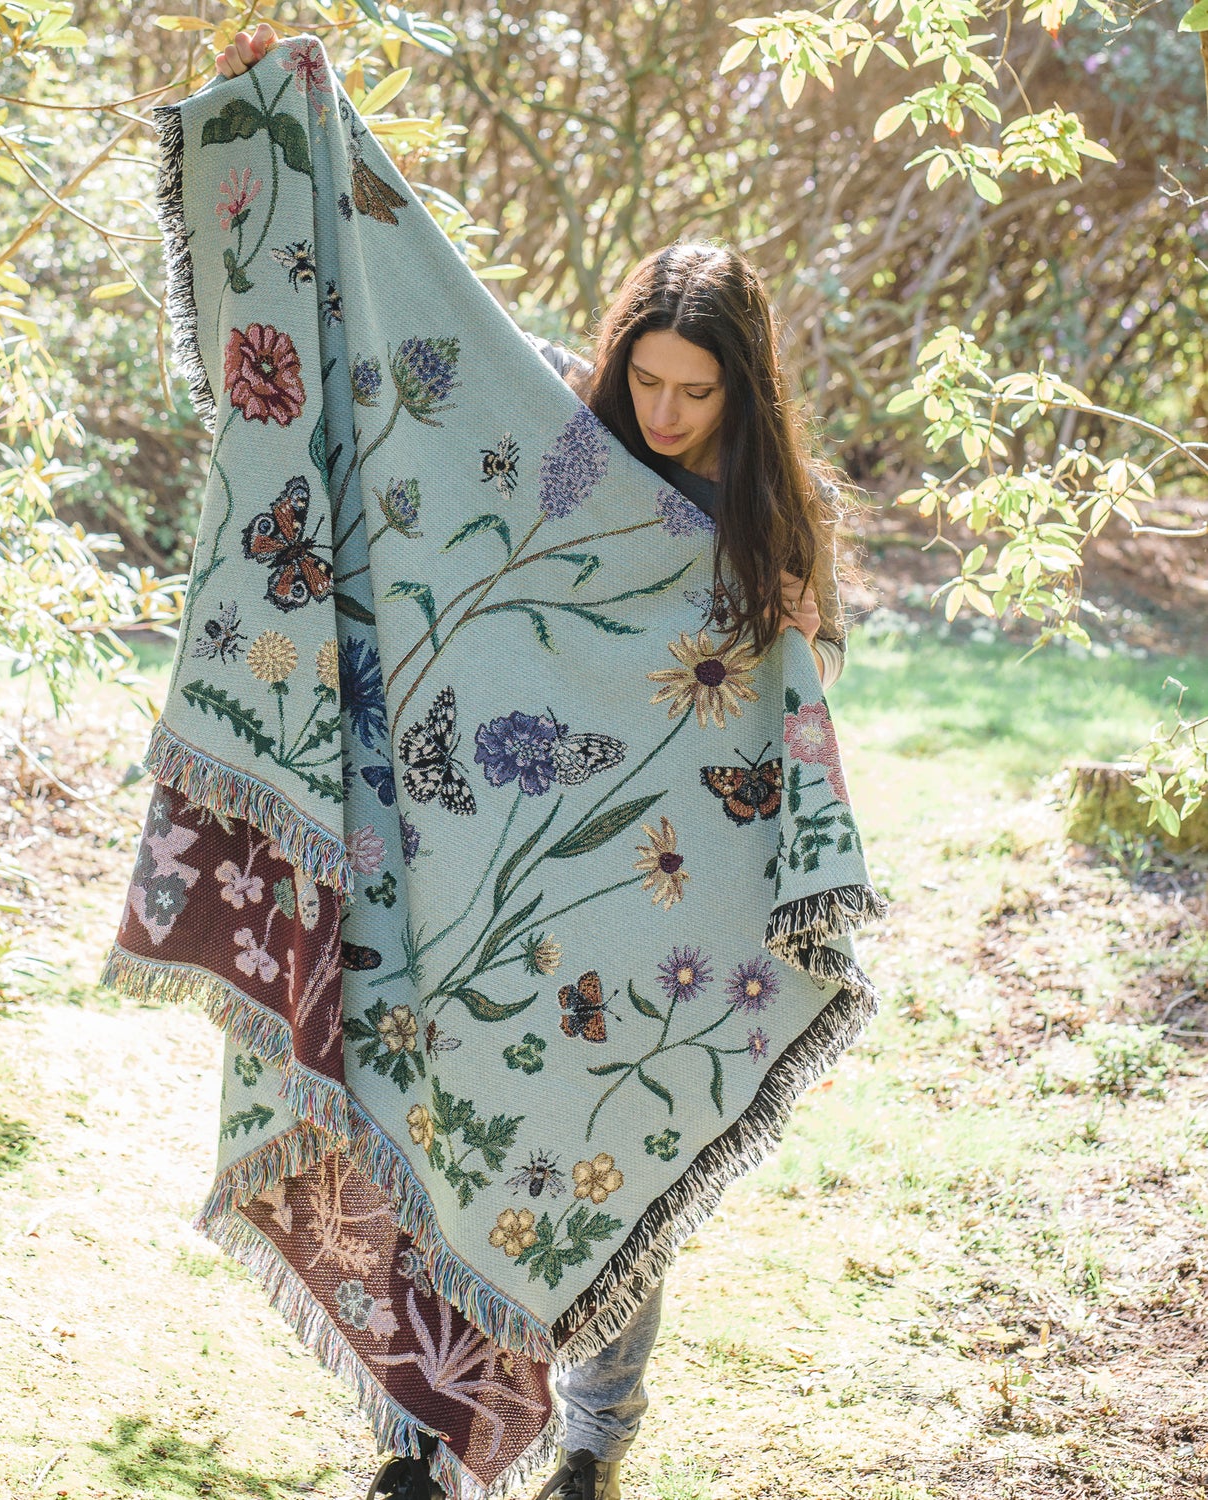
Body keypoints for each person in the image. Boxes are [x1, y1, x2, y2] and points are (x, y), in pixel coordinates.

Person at [212, 28, 851, 1500]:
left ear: (743, 394)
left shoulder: (768, 525)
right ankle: (419, 1443)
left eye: (698, 393)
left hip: (655, 892)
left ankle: (592, 1455)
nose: (666, 414)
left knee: (612, 1165)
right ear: (620, 353)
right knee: (432, 1131)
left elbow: (779, 726)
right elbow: (405, 356)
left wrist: (793, 649)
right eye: (650, 379)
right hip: (476, 853)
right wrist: (304, 124)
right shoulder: (560, 434)